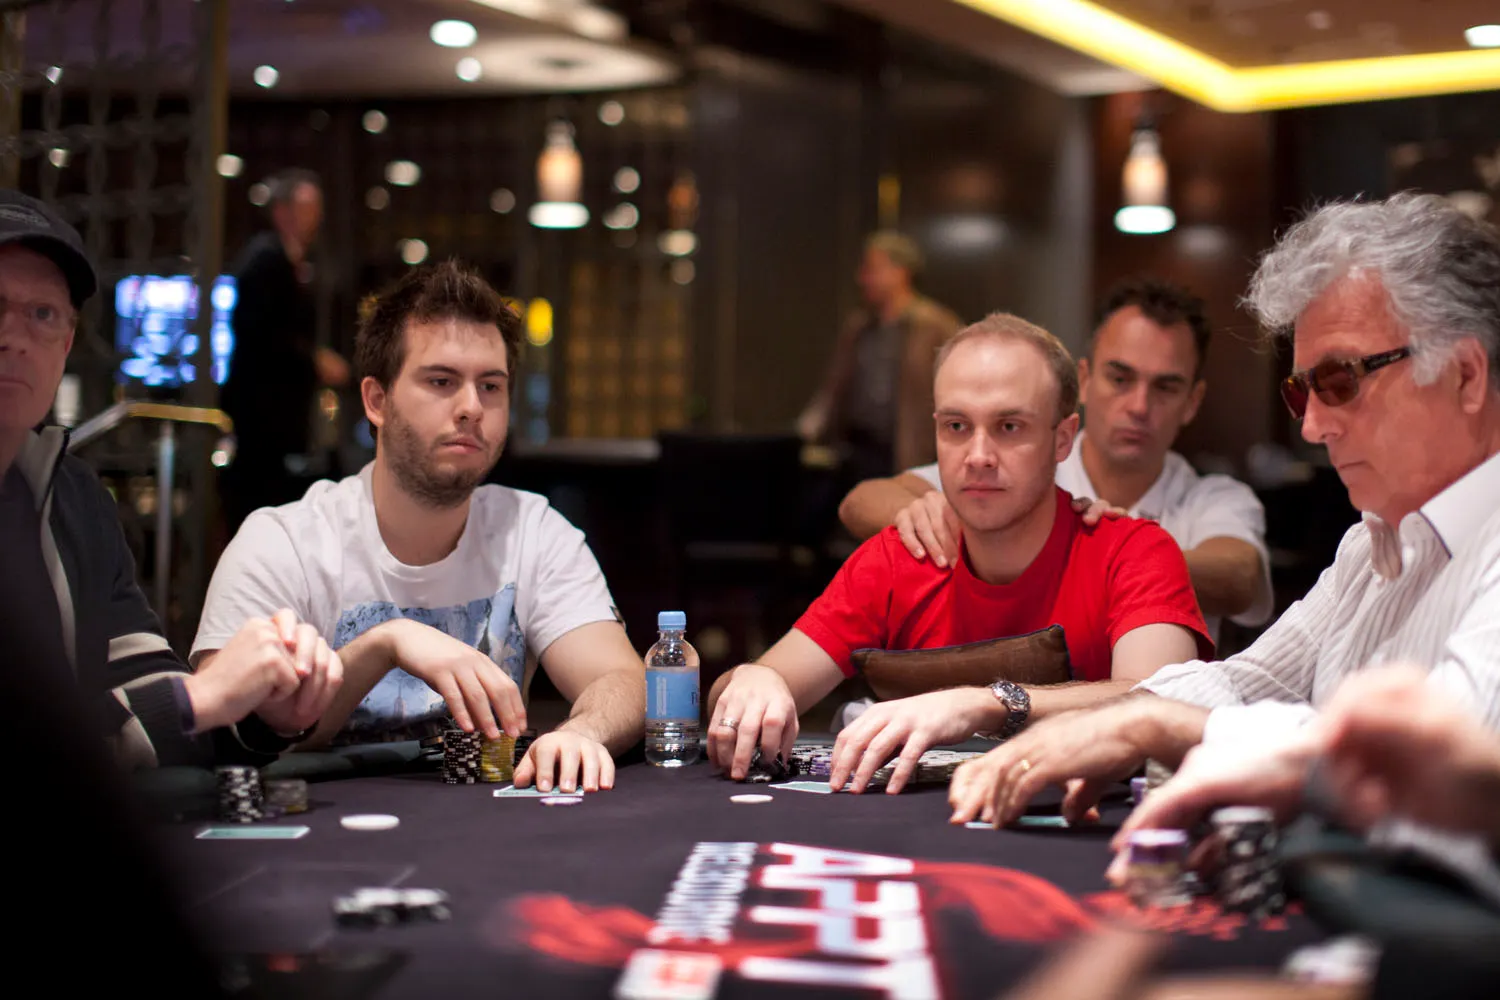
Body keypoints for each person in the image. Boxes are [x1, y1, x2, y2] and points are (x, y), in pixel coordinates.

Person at [948, 191, 1500, 829]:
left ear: (1465, 375)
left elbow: (1443, 767)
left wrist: (1148, 725)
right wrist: (1006, 706)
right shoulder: (1370, 544)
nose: (1313, 426)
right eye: (1302, 391)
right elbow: (1240, 683)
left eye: (1340, 381)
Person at [708, 313, 1212, 792]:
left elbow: (1158, 700)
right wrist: (753, 681)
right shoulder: (898, 557)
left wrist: (983, 704)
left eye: (1009, 427)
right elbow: (732, 697)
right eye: (956, 426)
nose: (978, 456)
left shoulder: (1134, 550)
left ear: (1062, 439)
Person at [193, 259, 645, 794]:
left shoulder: (535, 530)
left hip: (484, 827)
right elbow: (221, 730)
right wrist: (382, 646)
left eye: (491, 386)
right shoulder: (282, 543)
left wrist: (582, 733)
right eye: (441, 381)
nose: (471, 407)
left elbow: (624, 681)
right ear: (376, 401)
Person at [0, 189, 341, 768]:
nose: (14, 337)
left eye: (43, 314)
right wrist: (197, 699)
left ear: (67, 343)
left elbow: (144, 682)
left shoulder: (75, 497)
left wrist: (261, 709)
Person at [839, 278, 1272, 645]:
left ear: (1192, 402)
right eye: (1119, 378)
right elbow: (861, 502)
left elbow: (1239, 579)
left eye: (1165, 387)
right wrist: (929, 517)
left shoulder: (1215, 497)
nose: (1139, 406)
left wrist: (1111, 554)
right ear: (1084, 380)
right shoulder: (1025, 463)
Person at [220, 168, 350, 531]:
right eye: (306, 208)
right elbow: (261, 334)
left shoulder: (294, 260)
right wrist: (314, 360)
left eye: (316, 208)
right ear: (281, 212)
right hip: (262, 415)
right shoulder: (265, 260)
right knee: (259, 507)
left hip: (278, 418)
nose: (314, 218)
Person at [797, 231, 961, 483]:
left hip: (909, 456)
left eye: (872, 269)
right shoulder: (859, 327)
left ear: (900, 272)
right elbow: (833, 390)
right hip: (857, 451)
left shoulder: (935, 326)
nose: (863, 278)